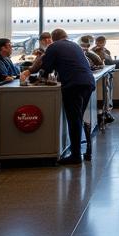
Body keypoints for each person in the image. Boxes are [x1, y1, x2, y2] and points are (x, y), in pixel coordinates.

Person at [28, 28, 95, 164]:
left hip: (74, 85)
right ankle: (81, 149)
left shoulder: (54, 47)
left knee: (74, 119)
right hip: (87, 82)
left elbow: (46, 67)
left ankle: (76, 155)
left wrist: (33, 74)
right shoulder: (74, 45)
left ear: (53, 38)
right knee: (78, 117)